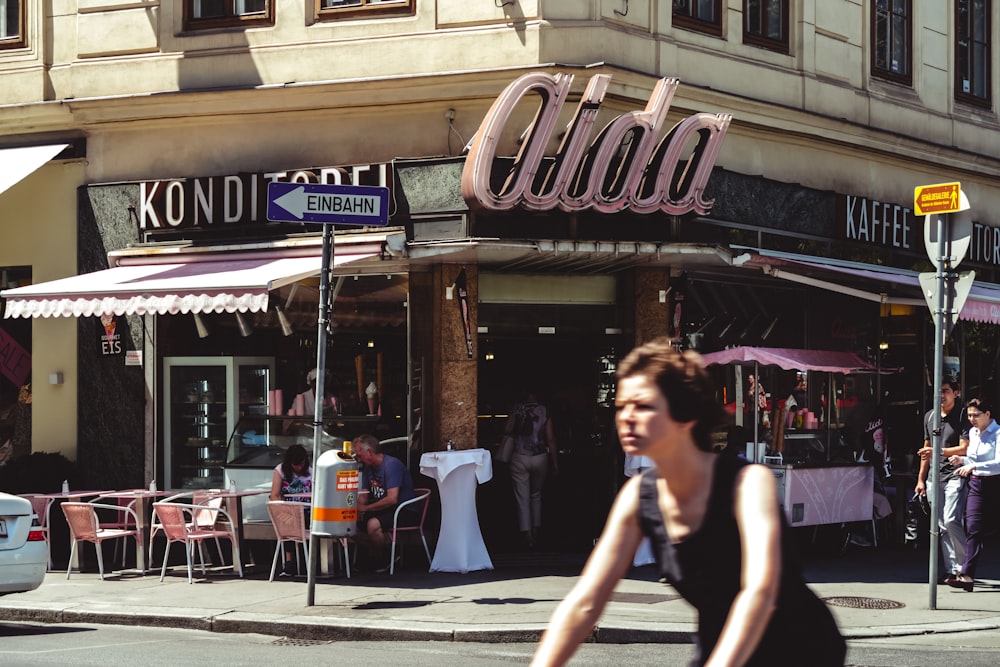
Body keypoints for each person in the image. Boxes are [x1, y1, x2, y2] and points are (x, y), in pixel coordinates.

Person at [531, 338, 845, 667]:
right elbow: (586, 602)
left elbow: (760, 591)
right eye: (622, 406)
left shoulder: (748, 484)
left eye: (643, 406)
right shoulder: (639, 498)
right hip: (721, 646)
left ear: (685, 417)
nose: (627, 417)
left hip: (800, 650)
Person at [912, 379, 968, 581]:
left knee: (952, 519)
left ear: (955, 392)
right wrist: (920, 479)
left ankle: (964, 566)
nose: (941, 395)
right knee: (941, 526)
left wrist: (938, 451)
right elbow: (925, 452)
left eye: (945, 391)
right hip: (934, 477)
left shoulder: (962, 415)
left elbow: (965, 447)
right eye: (938, 392)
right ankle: (951, 570)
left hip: (956, 474)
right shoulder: (930, 416)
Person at [948, 398, 1000, 592]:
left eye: (975, 415)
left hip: (996, 483)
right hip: (977, 483)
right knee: (973, 527)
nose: (972, 419)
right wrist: (961, 459)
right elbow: (973, 457)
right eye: (969, 415)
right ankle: (967, 575)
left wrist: (973, 465)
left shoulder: (998, 433)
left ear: (987, 414)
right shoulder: (973, 432)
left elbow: (999, 462)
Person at [354, 433, 417, 572]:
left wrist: (367, 508)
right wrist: (358, 510)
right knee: (351, 527)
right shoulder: (367, 469)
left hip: (403, 509)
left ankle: (382, 558)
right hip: (382, 509)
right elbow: (364, 494)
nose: (358, 459)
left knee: (373, 525)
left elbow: (392, 498)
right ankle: (381, 550)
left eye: (359, 455)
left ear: (369, 452)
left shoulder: (391, 465)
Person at [505, 390, 559, 549]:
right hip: (540, 456)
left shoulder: (517, 409)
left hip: (519, 456)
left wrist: (514, 415)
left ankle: (526, 534)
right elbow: (550, 438)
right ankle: (537, 530)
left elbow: (507, 430)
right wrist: (555, 462)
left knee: (522, 498)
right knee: (536, 495)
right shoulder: (545, 410)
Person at [268, 444, 312, 577]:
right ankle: (289, 562)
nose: (298, 468)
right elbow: (274, 494)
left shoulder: (311, 472)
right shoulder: (280, 471)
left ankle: (306, 561)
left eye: (301, 464)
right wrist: (280, 510)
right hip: (287, 510)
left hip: (307, 510)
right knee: (287, 522)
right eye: (295, 465)